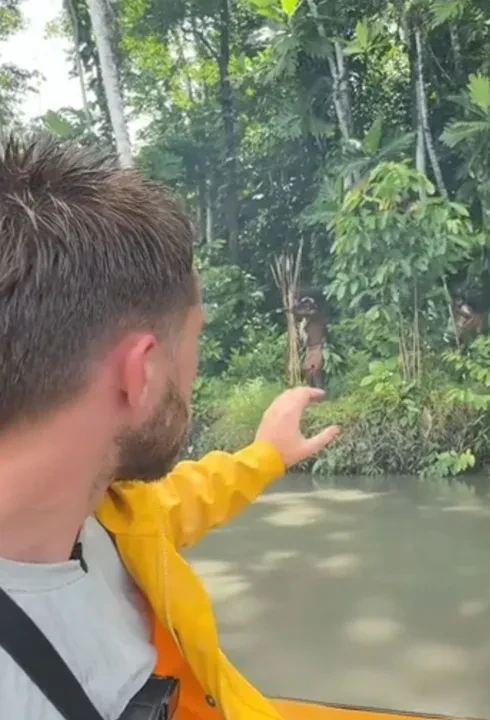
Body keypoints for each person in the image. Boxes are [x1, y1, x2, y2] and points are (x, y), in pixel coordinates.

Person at [0, 134, 340, 719]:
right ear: (142, 372)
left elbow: (183, 498)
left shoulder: (105, 513)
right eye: (196, 336)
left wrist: (267, 455)